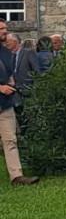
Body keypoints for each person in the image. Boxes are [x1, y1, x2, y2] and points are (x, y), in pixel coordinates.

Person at [0, 31, 37, 185]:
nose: (4, 31)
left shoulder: (6, 52)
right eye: (1, 28)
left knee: (10, 140)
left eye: (5, 28)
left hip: (5, 104)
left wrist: (10, 82)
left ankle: (16, 176)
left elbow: (9, 73)